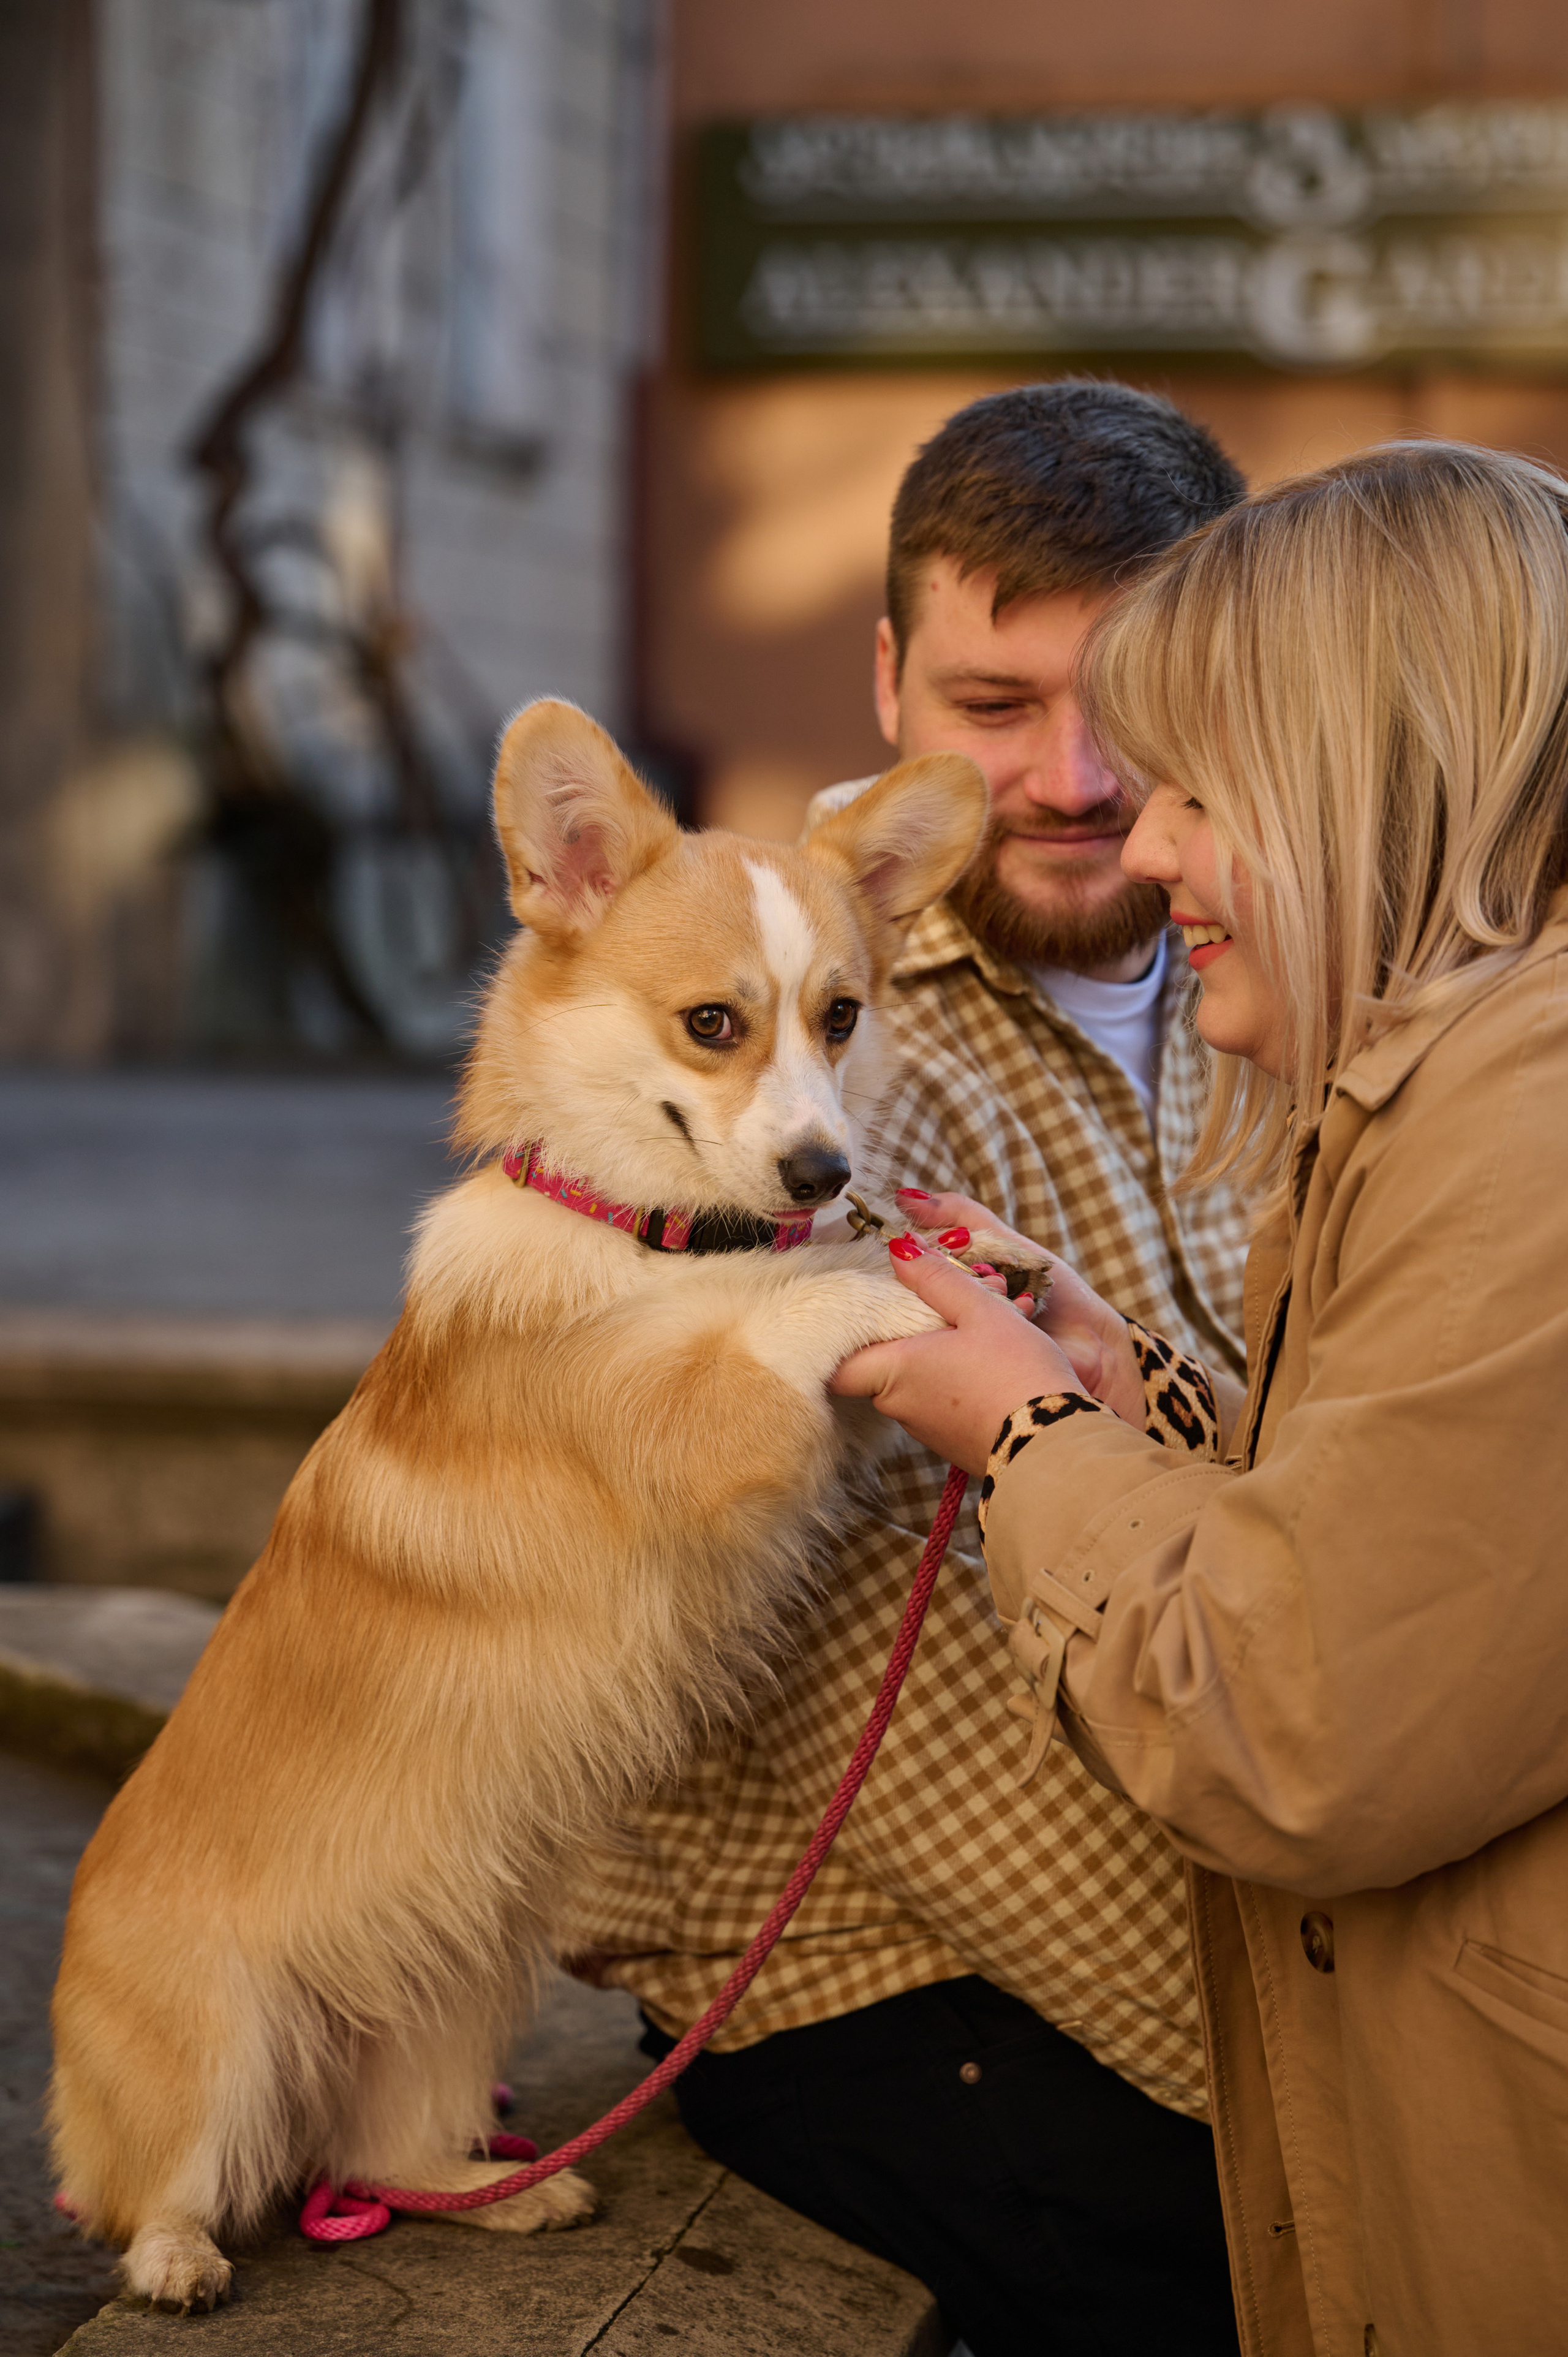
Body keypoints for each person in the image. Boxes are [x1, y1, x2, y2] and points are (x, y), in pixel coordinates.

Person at [835, 439, 1568, 2357]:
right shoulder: (1419, 1025)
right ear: (890, 678)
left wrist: (1031, 1438)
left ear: (1373, 768)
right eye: (1006, 710)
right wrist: (1125, 1390)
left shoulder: (1517, 1104)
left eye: (1193, 779)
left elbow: (1302, 1709)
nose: (1126, 830)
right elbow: (1431, 1528)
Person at [558, 381, 1251, 2357]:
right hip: (867, 1961)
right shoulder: (806, 1079)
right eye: (995, 705)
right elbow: (948, 1762)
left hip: (1239, 1781)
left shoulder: (1259, 979)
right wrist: (1332, 2048)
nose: (1076, 775)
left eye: (1136, 698)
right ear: (885, 683)